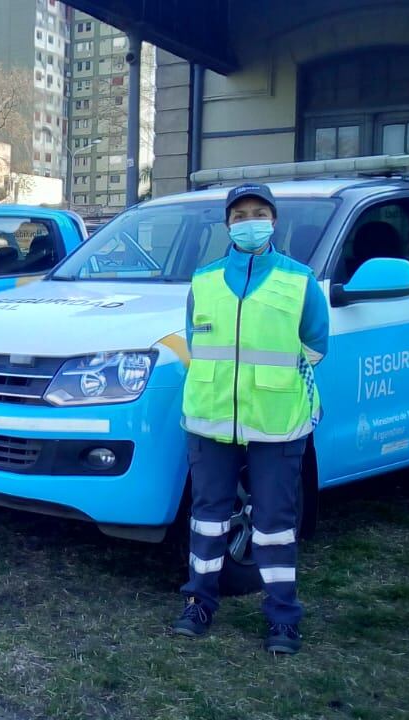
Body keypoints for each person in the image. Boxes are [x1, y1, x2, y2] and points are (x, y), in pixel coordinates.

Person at [172, 183, 329, 655]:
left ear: (274, 221)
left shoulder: (300, 281)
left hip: (277, 419)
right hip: (211, 419)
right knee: (207, 520)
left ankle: (283, 617)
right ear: (228, 225)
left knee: (276, 524)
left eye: (259, 213)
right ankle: (199, 603)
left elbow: (315, 348)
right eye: (240, 215)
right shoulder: (203, 281)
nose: (249, 222)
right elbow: (197, 344)